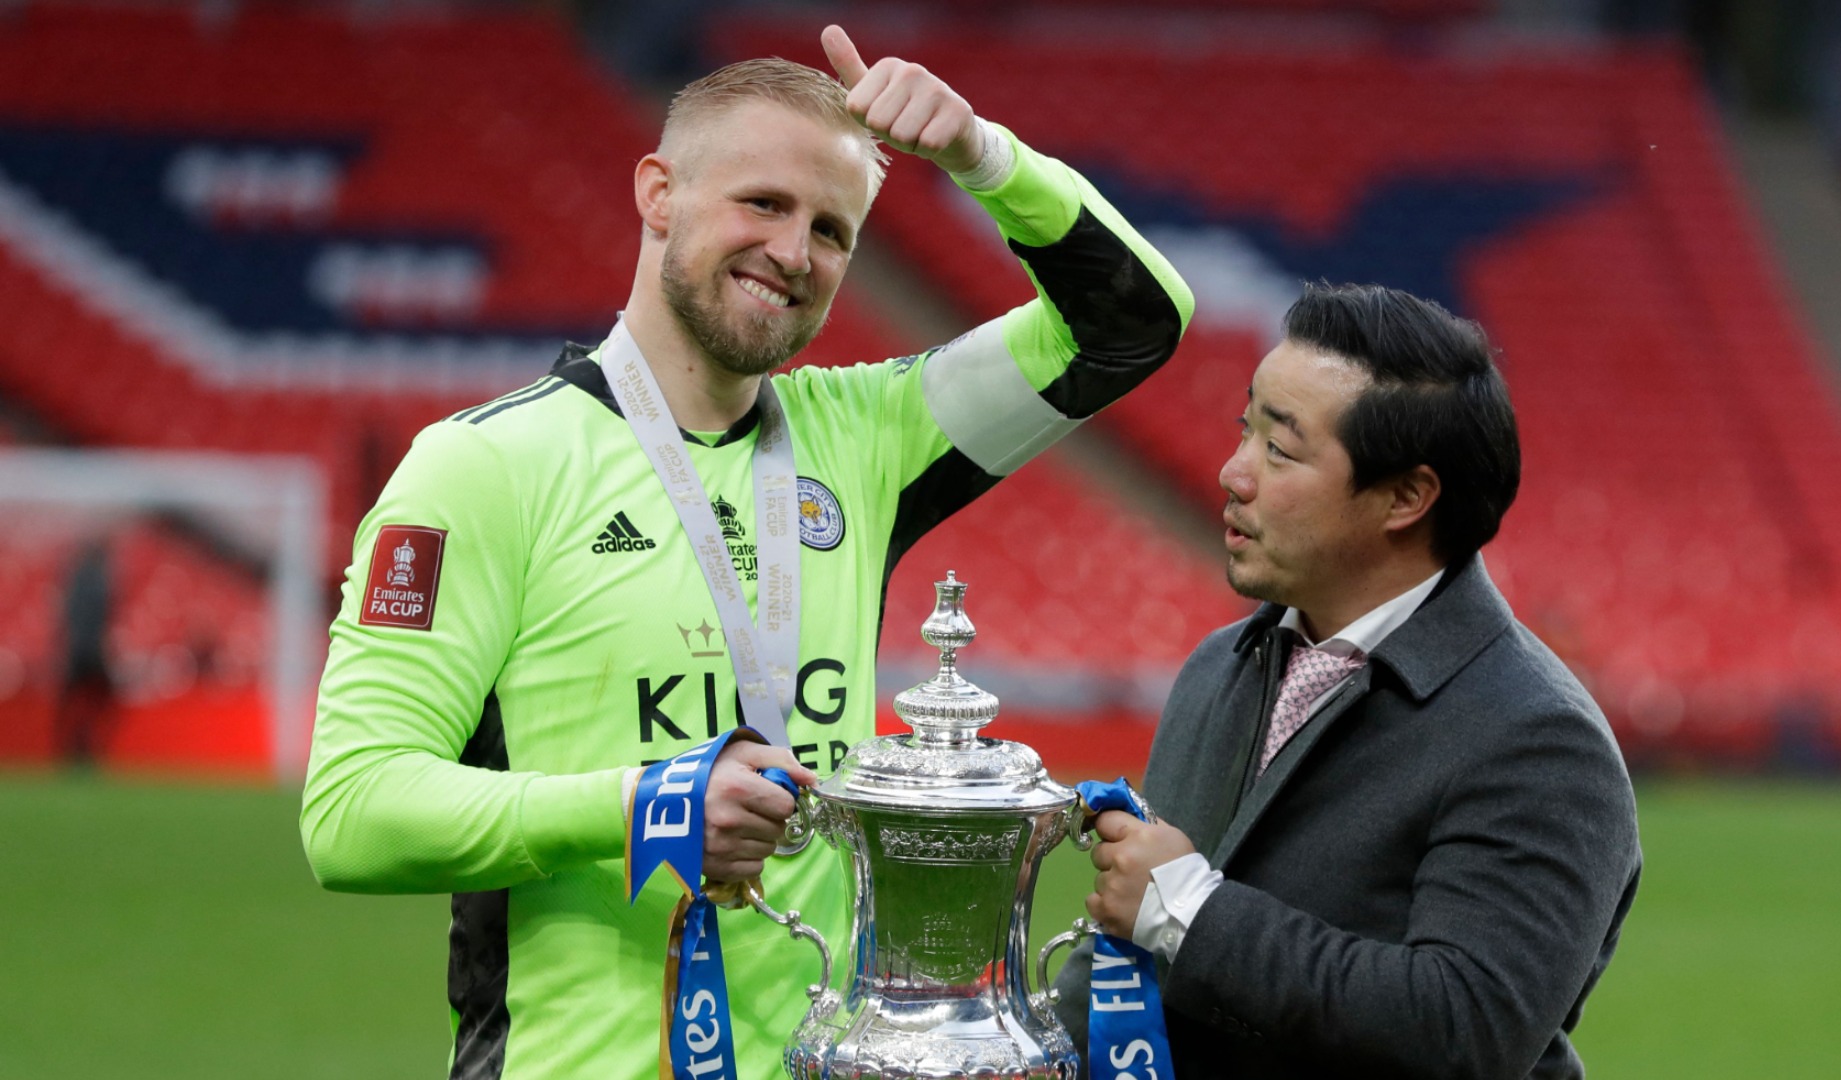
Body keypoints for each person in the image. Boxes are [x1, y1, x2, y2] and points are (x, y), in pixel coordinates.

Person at [300, 24, 1191, 1080]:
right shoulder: (485, 466)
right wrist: (650, 807)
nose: (794, 253)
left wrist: (983, 160)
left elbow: (1131, 323)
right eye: (763, 203)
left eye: (832, 230)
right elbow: (352, 814)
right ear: (657, 193)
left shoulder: (869, 437)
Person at [1056, 283, 1640, 1078]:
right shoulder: (1218, 669)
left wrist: (1190, 912)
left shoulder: (1539, 739)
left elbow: (1466, 1029)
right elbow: (1129, 956)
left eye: (1281, 450)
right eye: (1245, 429)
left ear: (1406, 498)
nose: (1233, 473)